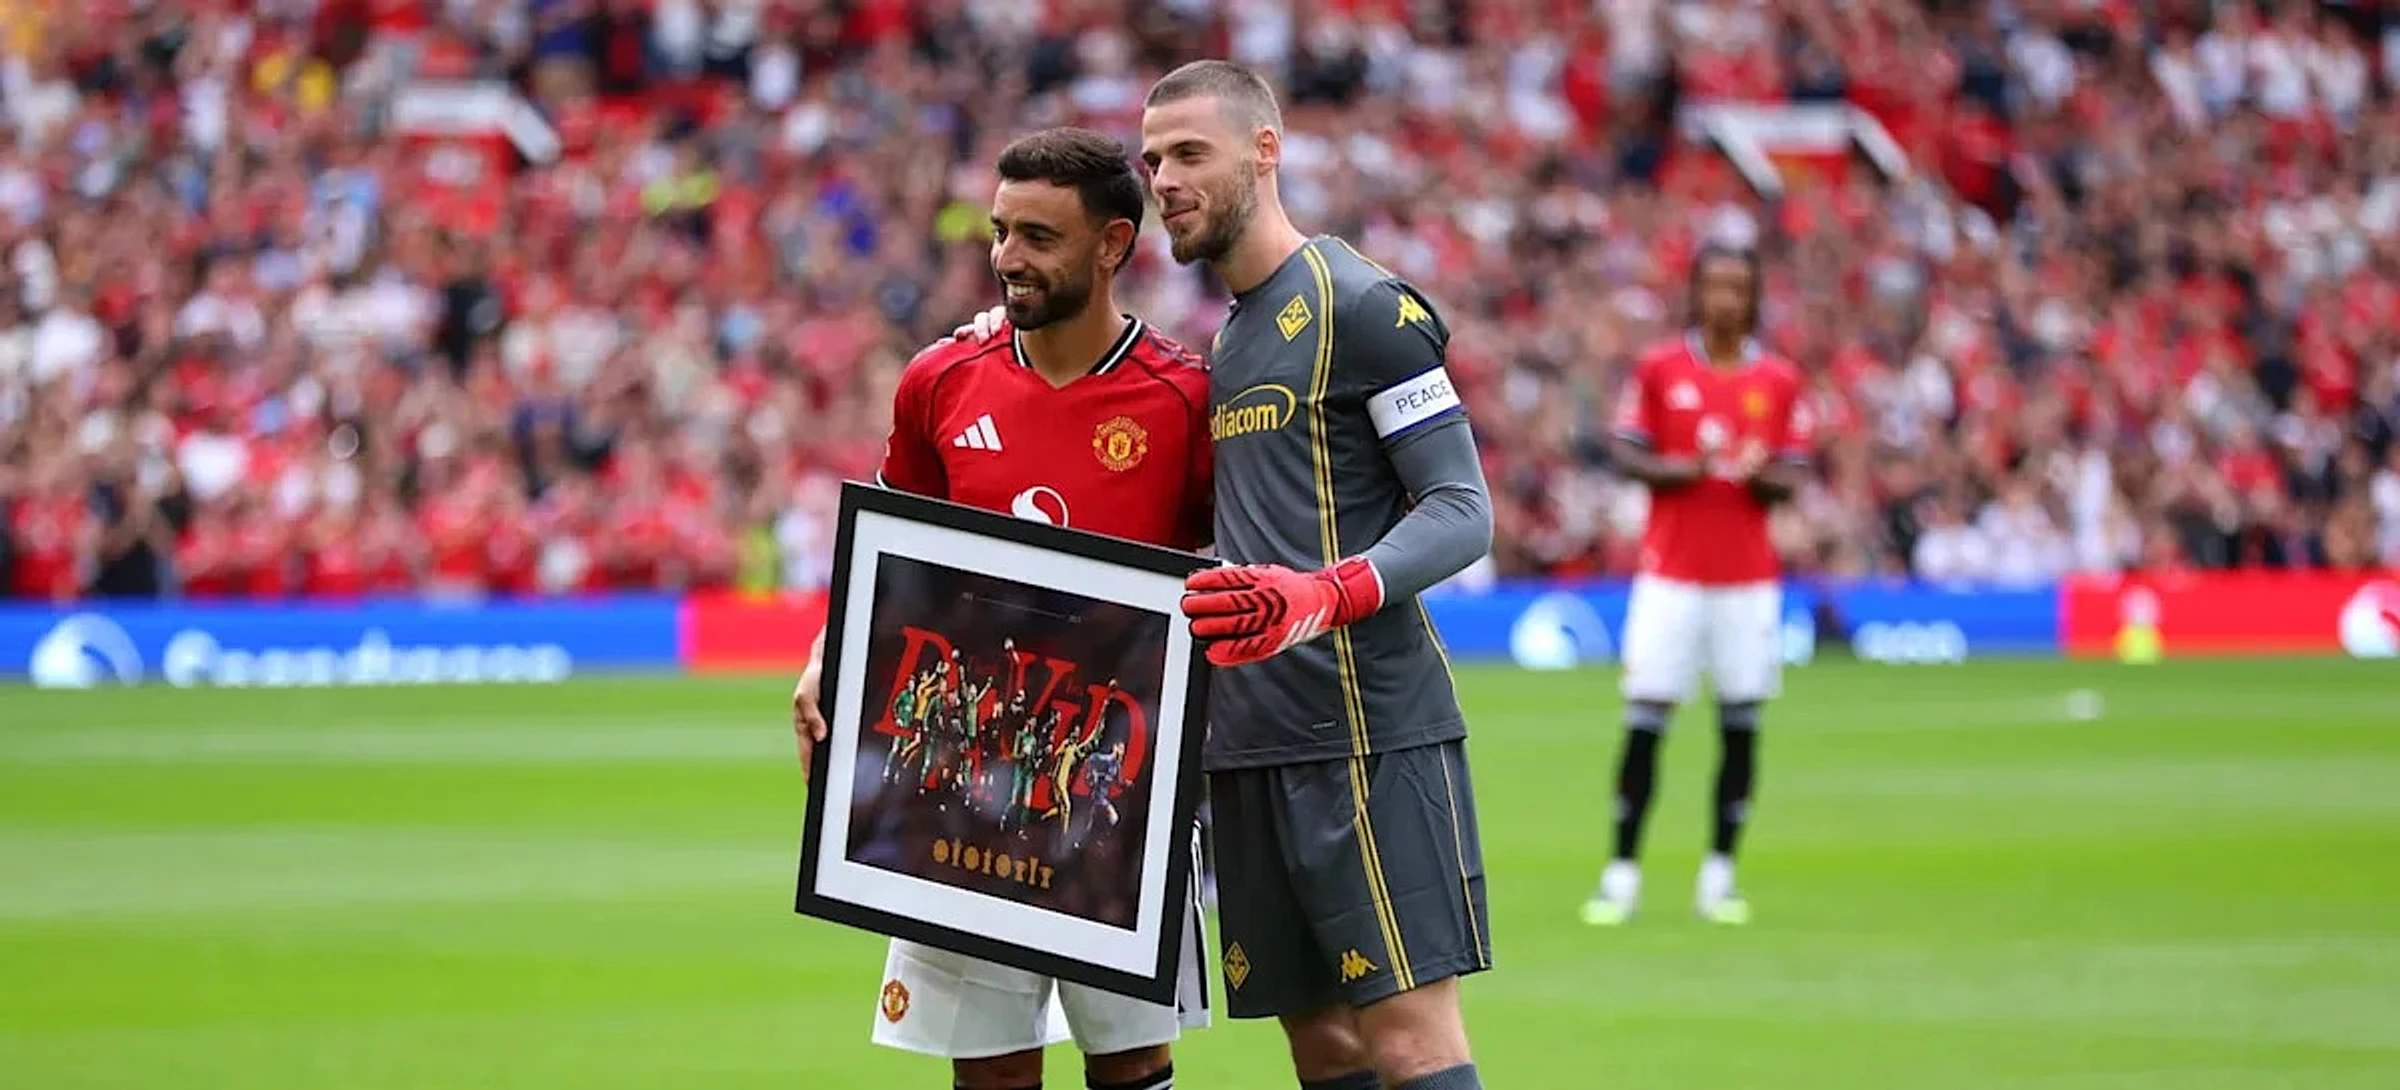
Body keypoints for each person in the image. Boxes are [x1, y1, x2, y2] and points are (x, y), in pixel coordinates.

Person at [789, 126, 1214, 1090]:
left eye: (1038, 237)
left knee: (1133, 1063)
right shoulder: (940, 380)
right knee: (987, 1071)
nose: (1007, 258)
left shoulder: (1185, 399)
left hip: (1116, 784)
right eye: (1000, 231)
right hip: (962, 778)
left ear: (1112, 245)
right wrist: (826, 653)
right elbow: (887, 557)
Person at [1147, 60, 1496, 1090]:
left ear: (1266, 150)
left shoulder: (1362, 306)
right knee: (1324, 1046)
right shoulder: (1228, 340)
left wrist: (1322, 594)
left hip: (1364, 733)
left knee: (1408, 1041)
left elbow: (1461, 508)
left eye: (1190, 153)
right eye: (1153, 160)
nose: (1164, 179)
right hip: (1248, 745)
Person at [1588, 243, 1816, 928]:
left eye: (1737, 287)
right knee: (1645, 720)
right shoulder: (1661, 369)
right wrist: (1687, 468)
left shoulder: (1778, 380)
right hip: (1671, 577)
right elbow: (1626, 452)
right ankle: (1621, 873)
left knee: (1740, 723)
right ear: (1696, 293)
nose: (1724, 300)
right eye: (1714, 286)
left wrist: (1756, 473)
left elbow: (1794, 474)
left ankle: (1720, 874)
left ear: (1754, 297)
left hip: (1748, 582)